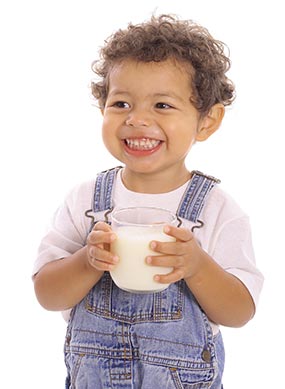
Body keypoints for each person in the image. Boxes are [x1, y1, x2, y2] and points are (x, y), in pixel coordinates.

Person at [33, 14, 264, 388]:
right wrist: (87, 262)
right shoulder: (86, 200)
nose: (137, 120)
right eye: (121, 103)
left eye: (162, 106)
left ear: (207, 121)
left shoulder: (217, 210)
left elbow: (239, 312)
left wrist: (197, 265)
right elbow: (47, 293)